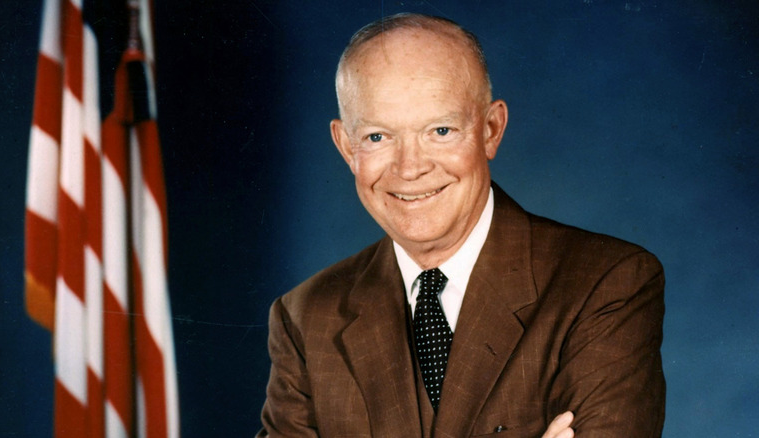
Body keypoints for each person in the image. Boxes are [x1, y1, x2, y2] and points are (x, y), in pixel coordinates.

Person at [257, 13, 665, 438]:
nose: (410, 168)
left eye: (441, 130)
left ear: (491, 130)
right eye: (378, 137)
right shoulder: (306, 317)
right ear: (345, 146)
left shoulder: (606, 284)